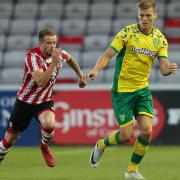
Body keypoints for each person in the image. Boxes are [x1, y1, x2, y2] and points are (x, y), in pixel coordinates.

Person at [88, 0, 177, 179]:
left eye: (148, 15)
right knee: (126, 135)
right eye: (141, 15)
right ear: (138, 15)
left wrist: (168, 70)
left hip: (142, 90)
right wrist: (96, 70)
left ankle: (131, 170)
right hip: (123, 91)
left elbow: (164, 66)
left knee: (147, 130)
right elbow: (107, 55)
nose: (144, 19)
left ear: (155, 15)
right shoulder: (127, 33)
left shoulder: (160, 39)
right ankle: (102, 144)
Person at [0, 28, 87, 167]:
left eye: (54, 42)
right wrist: (53, 63)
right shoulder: (32, 57)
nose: (53, 46)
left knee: (49, 124)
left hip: (44, 102)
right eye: (49, 43)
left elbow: (70, 59)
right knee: (9, 140)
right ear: (41, 44)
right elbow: (40, 81)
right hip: (24, 103)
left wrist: (80, 74)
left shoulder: (59, 54)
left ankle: (44, 146)